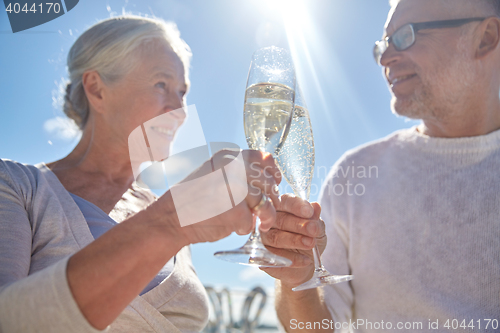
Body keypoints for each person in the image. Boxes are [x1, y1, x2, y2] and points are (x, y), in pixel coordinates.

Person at [0, 15, 284, 332]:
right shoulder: (16, 186)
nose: (179, 111)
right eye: (161, 85)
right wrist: (171, 220)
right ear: (96, 89)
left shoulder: (166, 207)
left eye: (183, 93)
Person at [260, 0, 500, 331]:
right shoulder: (354, 174)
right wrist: (296, 283)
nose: (386, 59)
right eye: (382, 46)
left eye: (406, 36)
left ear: (485, 38)